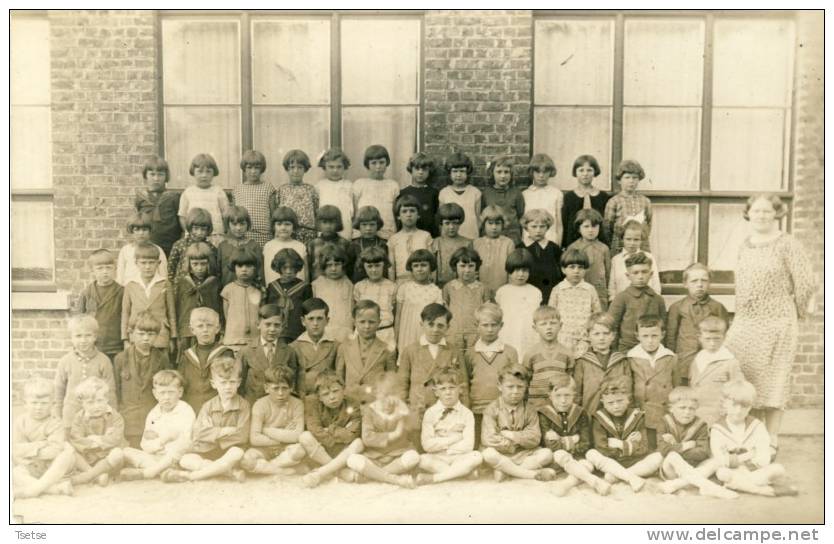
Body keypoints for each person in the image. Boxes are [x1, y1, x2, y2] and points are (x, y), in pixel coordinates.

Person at [723, 194, 815, 455]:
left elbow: (805, 282)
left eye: (767, 211)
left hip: (777, 322)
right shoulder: (745, 244)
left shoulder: (788, 244)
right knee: (743, 374)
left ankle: (771, 440)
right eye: (756, 211)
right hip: (747, 321)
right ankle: (746, 434)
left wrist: (793, 313)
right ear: (748, 214)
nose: (761, 215)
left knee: (774, 381)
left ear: (777, 214)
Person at [161, 352, 249, 483]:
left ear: (238, 383)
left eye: (232, 382)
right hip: (209, 450)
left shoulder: (243, 405)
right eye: (223, 382)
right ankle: (227, 472)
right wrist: (222, 431)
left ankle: (190, 476)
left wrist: (211, 432)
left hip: (230, 449)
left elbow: (242, 435)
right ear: (214, 384)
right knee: (186, 459)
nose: (228, 387)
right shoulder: (208, 406)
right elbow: (198, 433)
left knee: (237, 453)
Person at [711, 380, 797, 496]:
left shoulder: (757, 426)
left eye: (744, 406)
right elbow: (721, 459)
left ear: (751, 407)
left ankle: (739, 485)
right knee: (722, 473)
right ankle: (762, 490)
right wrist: (749, 455)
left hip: (754, 471)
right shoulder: (718, 428)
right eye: (734, 405)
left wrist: (748, 465)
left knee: (778, 469)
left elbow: (763, 455)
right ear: (725, 404)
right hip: (732, 471)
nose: (739, 411)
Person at [655, 386, 738, 498]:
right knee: (673, 456)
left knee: (715, 461)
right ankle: (712, 488)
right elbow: (663, 450)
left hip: (694, 467)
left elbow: (703, 452)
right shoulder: (664, 422)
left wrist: (675, 446)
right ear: (671, 408)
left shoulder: (701, 424)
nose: (687, 412)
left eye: (692, 408)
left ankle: (675, 485)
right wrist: (685, 446)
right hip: (672, 469)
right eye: (682, 408)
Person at [480, 364, 556, 482]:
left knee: (547, 454)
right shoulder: (491, 409)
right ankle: (530, 474)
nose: (515, 391)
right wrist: (515, 444)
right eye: (510, 387)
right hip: (500, 453)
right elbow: (489, 439)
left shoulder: (530, 409)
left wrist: (511, 435)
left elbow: (535, 438)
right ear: (500, 386)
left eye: (520, 387)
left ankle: (507, 471)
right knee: (488, 454)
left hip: (524, 454)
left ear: (526, 387)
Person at [538, 375, 611, 496]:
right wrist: (573, 439)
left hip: (577, 457)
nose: (563, 400)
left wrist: (561, 440)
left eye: (567, 395)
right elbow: (550, 445)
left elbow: (586, 443)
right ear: (549, 395)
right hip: (556, 459)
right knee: (559, 454)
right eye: (558, 395)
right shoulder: (544, 413)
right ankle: (594, 481)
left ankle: (565, 485)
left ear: (574, 395)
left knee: (587, 464)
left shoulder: (581, 413)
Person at [585, 377, 662, 492]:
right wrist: (630, 445)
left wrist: (621, 444)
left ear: (628, 400)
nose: (616, 406)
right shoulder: (598, 418)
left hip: (634, 462)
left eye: (620, 401)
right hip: (611, 461)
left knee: (658, 457)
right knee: (591, 453)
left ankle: (617, 475)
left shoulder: (637, 415)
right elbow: (602, 448)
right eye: (610, 403)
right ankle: (631, 478)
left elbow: (644, 448)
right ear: (603, 402)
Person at [345, 372, 420, 488]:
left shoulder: (401, 408)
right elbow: (367, 438)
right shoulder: (369, 410)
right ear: (376, 393)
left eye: (393, 395)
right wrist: (392, 435)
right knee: (352, 459)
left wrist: (405, 411)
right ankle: (394, 479)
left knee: (413, 456)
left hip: (398, 455)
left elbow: (414, 426)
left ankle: (372, 475)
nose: (389, 400)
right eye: (384, 395)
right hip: (374, 456)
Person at [398, 303, 469, 424]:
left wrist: (464, 412)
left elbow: (463, 385)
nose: (435, 329)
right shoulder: (410, 350)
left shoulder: (453, 351)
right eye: (430, 324)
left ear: (448, 327)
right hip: (417, 412)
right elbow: (401, 385)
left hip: (446, 412)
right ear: (422, 324)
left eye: (440, 325)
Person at [119, 370, 196, 481]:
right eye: (162, 393)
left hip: (176, 457)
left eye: (171, 392)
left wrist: (167, 445)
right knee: (126, 451)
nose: (166, 397)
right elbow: (145, 445)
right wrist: (162, 441)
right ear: (155, 394)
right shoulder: (153, 414)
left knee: (184, 449)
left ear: (180, 392)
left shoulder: (185, 410)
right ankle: (167, 472)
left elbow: (186, 441)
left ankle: (150, 472)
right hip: (157, 457)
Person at [416, 369, 483, 485]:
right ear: (436, 392)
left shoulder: (467, 413)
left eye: (452, 387)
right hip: (437, 457)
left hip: (460, 457)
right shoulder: (430, 413)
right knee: (421, 459)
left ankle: (436, 478)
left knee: (477, 456)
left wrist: (444, 446)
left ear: (460, 389)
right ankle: (464, 473)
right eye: (443, 389)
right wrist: (455, 438)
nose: (448, 392)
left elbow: (468, 445)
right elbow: (427, 445)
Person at [666, 263, 730, 383]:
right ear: (685, 284)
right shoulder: (677, 307)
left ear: (709, 283)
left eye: (704, 281)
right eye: (694, 281)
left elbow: (725, 338)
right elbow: (670, 338)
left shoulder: (717, 308)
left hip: (710, 362)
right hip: (684, 362)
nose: (699, 285)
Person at [465, 303, 518, 445]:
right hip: (477, 409)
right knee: (477, 444)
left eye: (494, 325)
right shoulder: (470, 353)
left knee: (500, 444)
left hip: (502, 409)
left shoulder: (509, 352)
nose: (489, 329)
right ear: (477, 325)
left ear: (501, 325)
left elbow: (515, 383)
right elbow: (466, 380)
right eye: (485, 325)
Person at [298, 370, 364, 487]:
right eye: (326, 394)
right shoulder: (311, 402)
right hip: (321, 450)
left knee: (359, 443)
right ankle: (340, 472)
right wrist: (341, 432)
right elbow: (314, 429)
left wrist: (330, 429)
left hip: (343, 450)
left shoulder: (353, 402)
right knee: (305, 436)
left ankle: (320, 473)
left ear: (343, 390)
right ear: (319, 397)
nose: (332, 397)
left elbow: (354, 433)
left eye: (335, 391)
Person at [114, 311, 170, 447]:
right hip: (128, 419)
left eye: (151, 335)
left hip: (153, 419)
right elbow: (116, 390)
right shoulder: (121, 358)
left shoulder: (161, 358)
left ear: (157, 336)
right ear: (131, 333)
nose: (146, 338)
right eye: (141, 334)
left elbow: (166, 388)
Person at [13, 379, 76, 498]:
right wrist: (42, 444)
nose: (38, 407)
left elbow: (54, 451)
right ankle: (54, 489)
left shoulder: (55, 423)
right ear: (25, 403)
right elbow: (16, 449)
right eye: (34, 402)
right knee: (14, 472)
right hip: (32, 466)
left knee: (67, 452)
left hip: (53, 467)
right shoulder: (20, 422)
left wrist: (28, 450)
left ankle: (32, 490)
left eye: (44, 403)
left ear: (52, 404)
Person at [240, 365, 306, 475]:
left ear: (291, 387)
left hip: (286, 448)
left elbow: (297, 436)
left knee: (299, 450)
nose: (280, 393)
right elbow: (254, 438)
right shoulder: (260, 405)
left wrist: (266, 430)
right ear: (266, 388)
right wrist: (284, 435)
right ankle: (282, 470)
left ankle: (269, 468)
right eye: (275, 388)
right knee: (246, 460)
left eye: (284, 388)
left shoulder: (297, 404)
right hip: (264, 448)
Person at [54, 315, 117, 429]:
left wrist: (111, 415)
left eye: (88, 335)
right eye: (78, 336)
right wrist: (57, 414)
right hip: (71, 415)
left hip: (96, 416)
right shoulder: (65, 361)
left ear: (95, 337)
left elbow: (110, 391)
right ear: (71, 338)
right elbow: (59, 390)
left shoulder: (103, 361)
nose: (83, 340)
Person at [627, 315, 679, 449]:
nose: (650, 341)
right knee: (644, 444)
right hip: (640, 409)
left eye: (654, 336)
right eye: (645, 336)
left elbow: (676, 386)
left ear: (662, 335)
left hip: (664, 409)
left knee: (663, 443)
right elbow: (628, 386)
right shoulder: (631, 358)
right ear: (637, 336)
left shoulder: (670, 357)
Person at [68, 377, 127, 486]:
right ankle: (98, 475)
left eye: (100, 401)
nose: (96, 406)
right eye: (90, 403)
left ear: (106, 399)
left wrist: (97, 439)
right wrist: (97, 442)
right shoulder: (79, 417)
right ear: (82, 403)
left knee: (118, 453)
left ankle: (87, 476)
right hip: (88, 457)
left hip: (108, 457)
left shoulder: (115, 416)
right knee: (69, 450)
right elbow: (77, 438)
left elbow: (116, 438)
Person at [238, 304, 301, 405]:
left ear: (283, 327)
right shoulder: (246, 351)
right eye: (268, 324)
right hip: (253, 405)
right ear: (258, 324)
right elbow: (239, 383)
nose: (272, 329)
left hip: (280, 406)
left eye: (277, 325)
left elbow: (292, 381)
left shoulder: (289, 351)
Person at [170, 242, 223, 361]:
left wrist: (221, 328)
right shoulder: (182, 283)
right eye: (195, 264)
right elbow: (178, 308)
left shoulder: (214, 283)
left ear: (209, 263)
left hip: (208, 331)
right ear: (189, 264)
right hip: (187, 332)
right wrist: (178, 331)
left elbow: (220, 307)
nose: (199, 268)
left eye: (203, 264)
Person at [336, 300, 397, 403]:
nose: (367, 326)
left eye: (371, 322)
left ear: (379, 322)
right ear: (354, 322)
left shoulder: (387, 350)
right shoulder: (344, 347)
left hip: (375, 402)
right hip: (350, 402)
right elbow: (339, 377)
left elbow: (390, 381)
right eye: (362, 322)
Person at [121, 242, 176, 355]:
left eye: (151, 263)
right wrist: (125, 338)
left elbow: (171, 312)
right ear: (136, 263)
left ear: (158, 263)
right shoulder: (131, 285)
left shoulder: (165, 284)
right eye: (143, 263)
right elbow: (125, 312)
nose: (147, 267)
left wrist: (173, 337)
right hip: (137, 334)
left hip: (160, 335)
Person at [573, 313, 631, 416]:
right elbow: (577, 395)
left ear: (613, 335)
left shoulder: (622, 361)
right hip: (590, 415)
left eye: (606, 333)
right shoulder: (582, 362)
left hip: (617, 415)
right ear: (588, 335)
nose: (601, 338)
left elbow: (628, 392)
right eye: (596, 334)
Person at [548, 248, 602, 357]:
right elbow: (551, 315)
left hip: (584, 340)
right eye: (572, 267)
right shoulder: (558, 289)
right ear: (563, 269)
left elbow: (597, 315)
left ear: (585, 270)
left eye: (580, 267)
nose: (576, 271)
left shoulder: (589, 289)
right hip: (562, 338)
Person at [689, 316, 743, 425]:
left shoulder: (729, 361)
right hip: (696, 413)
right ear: (699, 337)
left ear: (724, 337)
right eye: (708, 339)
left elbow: (739, 389)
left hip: (718, 414)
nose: (712, 343)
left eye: (717, 339)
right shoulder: (697, 358)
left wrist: (729, 408)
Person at [608, 252, 666, 353]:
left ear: (651, 274)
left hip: (652, 349)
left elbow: (663, 327)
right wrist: (615, 352)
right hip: (627, 350)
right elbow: (611, 327)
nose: (640, 276)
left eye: (644, 272)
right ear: (628, 275)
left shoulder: (658, 300)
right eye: (635, 273)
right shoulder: (621, 298)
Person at [76, 249, 124, 365]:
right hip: (94, 347)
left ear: (115, 269)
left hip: (116, 347)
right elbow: (80, 321)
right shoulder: (87, 293)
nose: (105, 272)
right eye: (100, 268)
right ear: (92, 271)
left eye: (108, 268)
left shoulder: (122, 292)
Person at [522, 306, 574, 408]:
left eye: (553, 323)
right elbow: (525, 382)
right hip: (536, 406)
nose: (549, 327)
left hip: (559, 405)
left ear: (560, 325)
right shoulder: (530, 354)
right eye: (543, 324)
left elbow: (570, 382)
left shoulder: (567, 353)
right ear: (535, 328)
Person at [443, 246, 492, 355]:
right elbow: (445, 312)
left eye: (471, 266)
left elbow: (487, 314)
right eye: (462, 266)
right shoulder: (449, 287)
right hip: (454, 333)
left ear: (477, 267)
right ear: (455, 266)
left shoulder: (483, 288)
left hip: (476, 333)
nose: (467, 270)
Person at [495, 249, 542, 361]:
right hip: (508, 333)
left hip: (529, 334)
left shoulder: (535, 292)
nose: (521, 274)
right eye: (516, 270)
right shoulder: (502, 291)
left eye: (525, 270)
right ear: (509, 271)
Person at [178, 307, 227, 413]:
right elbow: (181, 384)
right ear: (192, 330)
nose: (205, 329)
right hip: (191, 408)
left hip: (217, 408)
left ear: (217, 328)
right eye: (200, 326)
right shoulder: (186, 355)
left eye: (209, 325)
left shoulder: (225, 353)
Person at [395, 249, 444, 351]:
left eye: (423, 265)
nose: (419, 269)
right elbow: (398, 316)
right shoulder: (404, 288)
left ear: (431, 267)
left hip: (426, 334)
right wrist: (395, 338)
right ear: (411, 269)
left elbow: (437, 319)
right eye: (416, 266)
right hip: (407, 334)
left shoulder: (436, 291)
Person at [178, 153, 231, 244]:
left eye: (208, 171)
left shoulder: (218, 191)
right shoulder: (188, 192)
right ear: (193, 172)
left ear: (214, 173)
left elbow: (226, 214)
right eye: (200, 171)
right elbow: (182, 216)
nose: (204, 175)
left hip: (215, 236)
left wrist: (224, 232)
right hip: (194, 236)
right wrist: (188, 232)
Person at [134, 155, 182, 257]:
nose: (156, 178)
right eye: (152, 174)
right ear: (146, 176)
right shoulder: (141, 197)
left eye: (160, 174)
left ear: (166, 176)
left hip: (170, 245)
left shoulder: (173, 197)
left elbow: (179, 222)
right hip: (148, 245)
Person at [291, 298, 339, 398]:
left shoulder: (336, 346)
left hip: (328, 399)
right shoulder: (293, 347)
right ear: (303, 321)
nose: (315, 323)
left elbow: (340, 378)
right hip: (304, 400)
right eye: (311, 319)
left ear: (327, 320)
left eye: (320, 318)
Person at [604, 159, 652, 256]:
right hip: (619, 247)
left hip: (641, 246)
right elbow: (607, 228)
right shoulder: (614, 201)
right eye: (627, 177)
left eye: (635, 178)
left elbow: (648, 224)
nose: (631, 181)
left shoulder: (645, 201)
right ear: (619, 180)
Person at [352, 246, 398, 350]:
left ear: (384, 266)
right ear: (364, 267)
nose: (374, 270)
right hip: (364, 333)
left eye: (377, 266)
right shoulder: (359, 286)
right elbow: (356, 312)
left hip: (385, 332)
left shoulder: (392, 287)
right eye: (370, 266)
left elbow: (395, 312)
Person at [561, 154, 611, 248]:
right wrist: (564, 245)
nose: (585, 174)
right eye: (581, 170)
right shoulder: (569, 197)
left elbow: (606, 223)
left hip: (598, 242)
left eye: (589, 170)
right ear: (575, 172)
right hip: (574, 242)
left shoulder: (603, 196)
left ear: (595, 172)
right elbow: (565, 222)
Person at [264, 248, 313, 342]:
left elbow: (308, 312)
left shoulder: (304, 287)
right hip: (275, 331)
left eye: (292, 268)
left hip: (297, 331)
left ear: (297, 268)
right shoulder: (272, 287)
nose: (288, 271)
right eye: (285, 268)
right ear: (278, 268)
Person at [352, 145, 400, 240]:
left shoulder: (393, 185)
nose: (378, 167)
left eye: (382, 162)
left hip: (387, 234)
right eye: (374, 163)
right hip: (364, 234)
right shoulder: (359, 184)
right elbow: (354, 211)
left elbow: (395, 212)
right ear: (367, 164)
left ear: (387, 163)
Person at [220, 247, 262, 352]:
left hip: (254, 339)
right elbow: (226, 314)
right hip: (234, 338)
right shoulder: (228, 289)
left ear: (255, 268)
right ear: (234, 268)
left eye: (248, 266)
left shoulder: (259, 290)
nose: (244, 269)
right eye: (240, 266)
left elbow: (262, 314)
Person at [566, 209, 610, 309]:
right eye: (586, 226)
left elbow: (608, 273)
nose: (591, 230)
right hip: (579, 291)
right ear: (579, 229)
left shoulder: (604, 248)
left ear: (599, 227)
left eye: (594, 226)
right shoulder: (573, 248)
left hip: (600, 292)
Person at [608, 220, 662, 301]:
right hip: (623, 303)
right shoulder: (616, 260)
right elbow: (612, 286)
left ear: (641, 240)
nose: (632, 243)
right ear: (622, 239)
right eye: (628, 239)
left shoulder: (649, 257)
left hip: (645, 301)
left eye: (636, 239)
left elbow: (656, 284)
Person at [232, 149, 275, 248]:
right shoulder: (237, 189)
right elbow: (234, 215)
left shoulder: (268, 188)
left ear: (262, 169)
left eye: (257, 168)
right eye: (249, 167)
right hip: (243, 235)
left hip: (264, 236)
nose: (253, 171)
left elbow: (273, 214)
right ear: (244, 169)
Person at [274, 149, 319, 245]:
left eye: (300, 167)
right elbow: (277, 214)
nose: (295, 171)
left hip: (308, 234)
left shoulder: (311, 189)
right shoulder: (282, 190)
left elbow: (316, 212)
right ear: (287, 169)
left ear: (305, 169)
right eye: (292, 167)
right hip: (287, 235)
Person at [311, 244, 354, 343]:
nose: (333, 269)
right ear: (323, 266)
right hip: (324, 332)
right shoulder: (316, 285)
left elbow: (352, 310)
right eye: (329, 265)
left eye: (337, 264)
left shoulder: (349, 284)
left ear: (343, 265)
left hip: (345, 333)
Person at [519, 208, 562, 303]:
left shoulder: (554, 248)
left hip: (549, 292)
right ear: (526, 227)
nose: (538, 230)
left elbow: (560, 272)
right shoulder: (520, 248)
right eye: (534, 227)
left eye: (542, 226)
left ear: (547, 227)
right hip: (526, 293)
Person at [388, 195, 433, 283]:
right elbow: (391, 267)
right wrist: (392, 284)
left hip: (423, 281)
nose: (408, 215)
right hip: (401, 282)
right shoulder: (393, 239)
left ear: (418, 215)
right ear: (398, 216)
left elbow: (431, 262)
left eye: (412, 211)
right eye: (404, 211)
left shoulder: (425, 236)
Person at [167, 207, 220, 283]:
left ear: (208, 230)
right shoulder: (179, 245)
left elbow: (215, 269)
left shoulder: (211, 248)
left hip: (204, 287)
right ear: (189, 227)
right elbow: (171, 267)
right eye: (196, 228)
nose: (199, 232)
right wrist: (173, 282)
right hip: (182, 286)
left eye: (203, 229)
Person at [481, 155, 524, 244]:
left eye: (506, 172)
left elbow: (520, 215)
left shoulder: (516, 192)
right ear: (492, 173)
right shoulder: (486, 193)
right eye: (499, 172)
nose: (503, 176)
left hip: (512, 238)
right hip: (492, 237)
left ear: (511, 174)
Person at [439, 151, 481, 240]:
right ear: (449, 173)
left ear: (467, 172)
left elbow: (478, 219)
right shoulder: (444, 193)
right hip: (450, 238)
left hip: (471, 236)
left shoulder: (475, 192)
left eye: (462, 171)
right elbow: (441, 219)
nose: (458, 175)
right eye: (455, 171)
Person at [217, 205, 262, 288]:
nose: (238, 228)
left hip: (249, 290)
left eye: (242, 224)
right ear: (228, 224)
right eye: (234, 224)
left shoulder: (254, 245)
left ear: (248, 224)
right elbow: (218, 273)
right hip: (227, 291)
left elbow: (259, 271)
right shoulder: (222, 246)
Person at [473, 206, 516, 292]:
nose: (494, 227)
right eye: (490, 223)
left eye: (497, 223)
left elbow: (512, 269)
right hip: (480, 288)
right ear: (483, 224)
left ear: (503, 224)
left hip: (503, 287)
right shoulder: (477, 243)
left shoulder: (508, 243)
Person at [523, 153, 563, 245]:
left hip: (550, 240)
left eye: (545, 172)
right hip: (529, 242)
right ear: (532, 172)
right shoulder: (525, 194)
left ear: (550, 172)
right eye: (537, 172)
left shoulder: (556, 193)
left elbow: (559, 224)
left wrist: (558, 246)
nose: (541, 175)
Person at [117, 213, 168, 286]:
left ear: (150, 231)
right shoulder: (125, 251)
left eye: (144, 230)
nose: (141, 233)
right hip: (129, 290)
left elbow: (163, 275)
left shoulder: (157, 250)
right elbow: (120, 276)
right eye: (137, 230)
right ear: (131, 231)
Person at [306, 205, 355, 281]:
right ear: (319, 223)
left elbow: (349, 268)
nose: (328, 226)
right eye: (324, 222)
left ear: (338, 223)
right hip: (318, 286)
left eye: (331, 222)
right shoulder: (312, 244)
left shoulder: (345, 244)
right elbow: (309, 268)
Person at [431, 202, 473, 287]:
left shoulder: (467, 243)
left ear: (460, 223)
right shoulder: (436, 242)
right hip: (440, 286)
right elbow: (432, 268)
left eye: (455, 223)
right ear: (441, 223)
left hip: (461, 286)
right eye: (447, 223)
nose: (451, 227)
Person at [263, 206, 308, 286]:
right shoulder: (268, 246)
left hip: (297, 291)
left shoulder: (301, 247)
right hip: (274, 292)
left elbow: (305, 274)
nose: (283, 228)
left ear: (294, 226)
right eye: (279, 224)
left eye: (287, 224)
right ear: (274, 226)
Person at [316, 147, 355, 240]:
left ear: (345, 167)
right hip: (325, 230)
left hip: (345, 229)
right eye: (331, 167)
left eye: (339, 167)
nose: (335, 170)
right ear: (324, 167)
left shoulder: (350, 186)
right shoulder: (319, 187)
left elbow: (353, 212)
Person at [399, 152, 439, 237]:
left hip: (429, 235)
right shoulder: (403, 193)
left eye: (424, 169)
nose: (420, 172)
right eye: (417, 168)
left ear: (429, 171)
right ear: (411, 169)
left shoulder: (434, 193)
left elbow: (436, 217)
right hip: (408, 235)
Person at [350, 206, 389, 282]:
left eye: (372, 224)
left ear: (378, 225)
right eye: (364, 225)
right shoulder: (353, 245)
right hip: (358, 284)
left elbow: (387, 267)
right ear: (358, 225)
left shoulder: (384, 244)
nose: (368, 228)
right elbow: (349, 269)